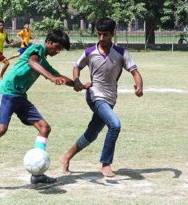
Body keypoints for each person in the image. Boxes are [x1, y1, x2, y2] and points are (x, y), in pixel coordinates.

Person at [0, 29, 74, 184]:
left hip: (20, 97)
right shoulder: (37, 48)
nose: (57, 51)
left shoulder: (44, 62)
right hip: (6, 93)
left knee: (44, 128)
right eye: (57, 48)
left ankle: (37, 175)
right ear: (49, 42)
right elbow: (32, 63)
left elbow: (59, 77)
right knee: (0, 129)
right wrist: (51, 77)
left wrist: (78, 85)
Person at [60, 17, 143, 177]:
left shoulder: (121, 53)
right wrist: (76, 80)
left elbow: (135, 72)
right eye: (99, 34)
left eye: (105, 35)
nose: (101, 38)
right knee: (115, 125)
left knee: (91, 134)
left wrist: (139, 86)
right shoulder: (90, 52)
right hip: (94, 95)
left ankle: (66, 157)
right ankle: (106, 163)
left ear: (112, 33)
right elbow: (77, 66)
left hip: (110, 98)